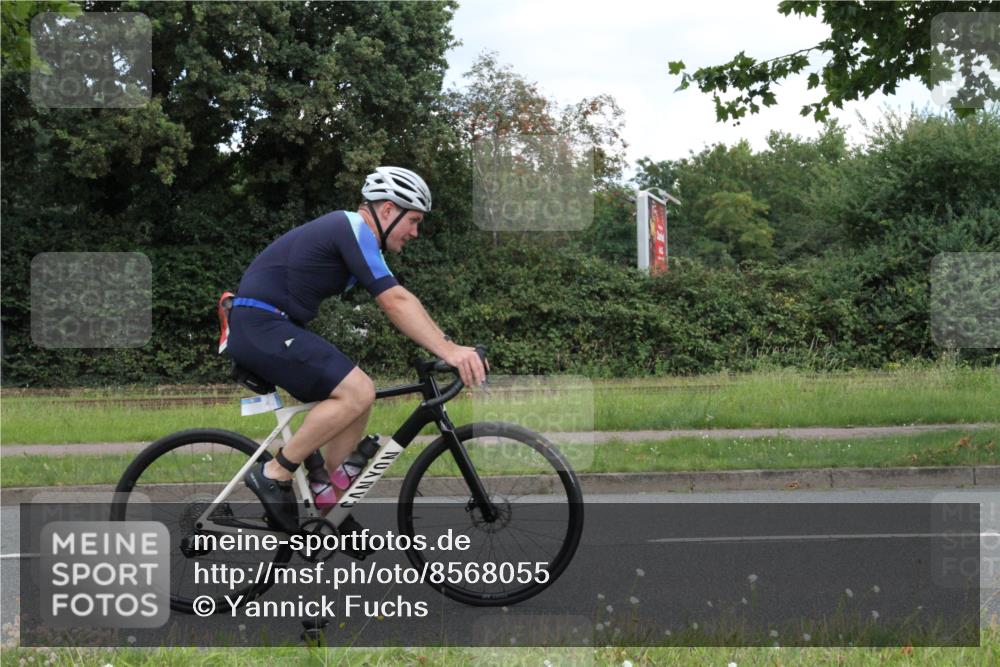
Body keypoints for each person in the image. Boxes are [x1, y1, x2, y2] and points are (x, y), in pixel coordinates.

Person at [226, 166, 488, 533]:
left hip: (270, 326)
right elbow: (394, 300)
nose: (416, 232)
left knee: (357, 401)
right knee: (358, 389)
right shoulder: (350, 226)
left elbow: (402, 300)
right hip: (261, 325)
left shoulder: (358, 238)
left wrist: (447, 344)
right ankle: (274, 473)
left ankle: (328, 503)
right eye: (413, 220)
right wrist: (450, 350)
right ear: (386, 210)